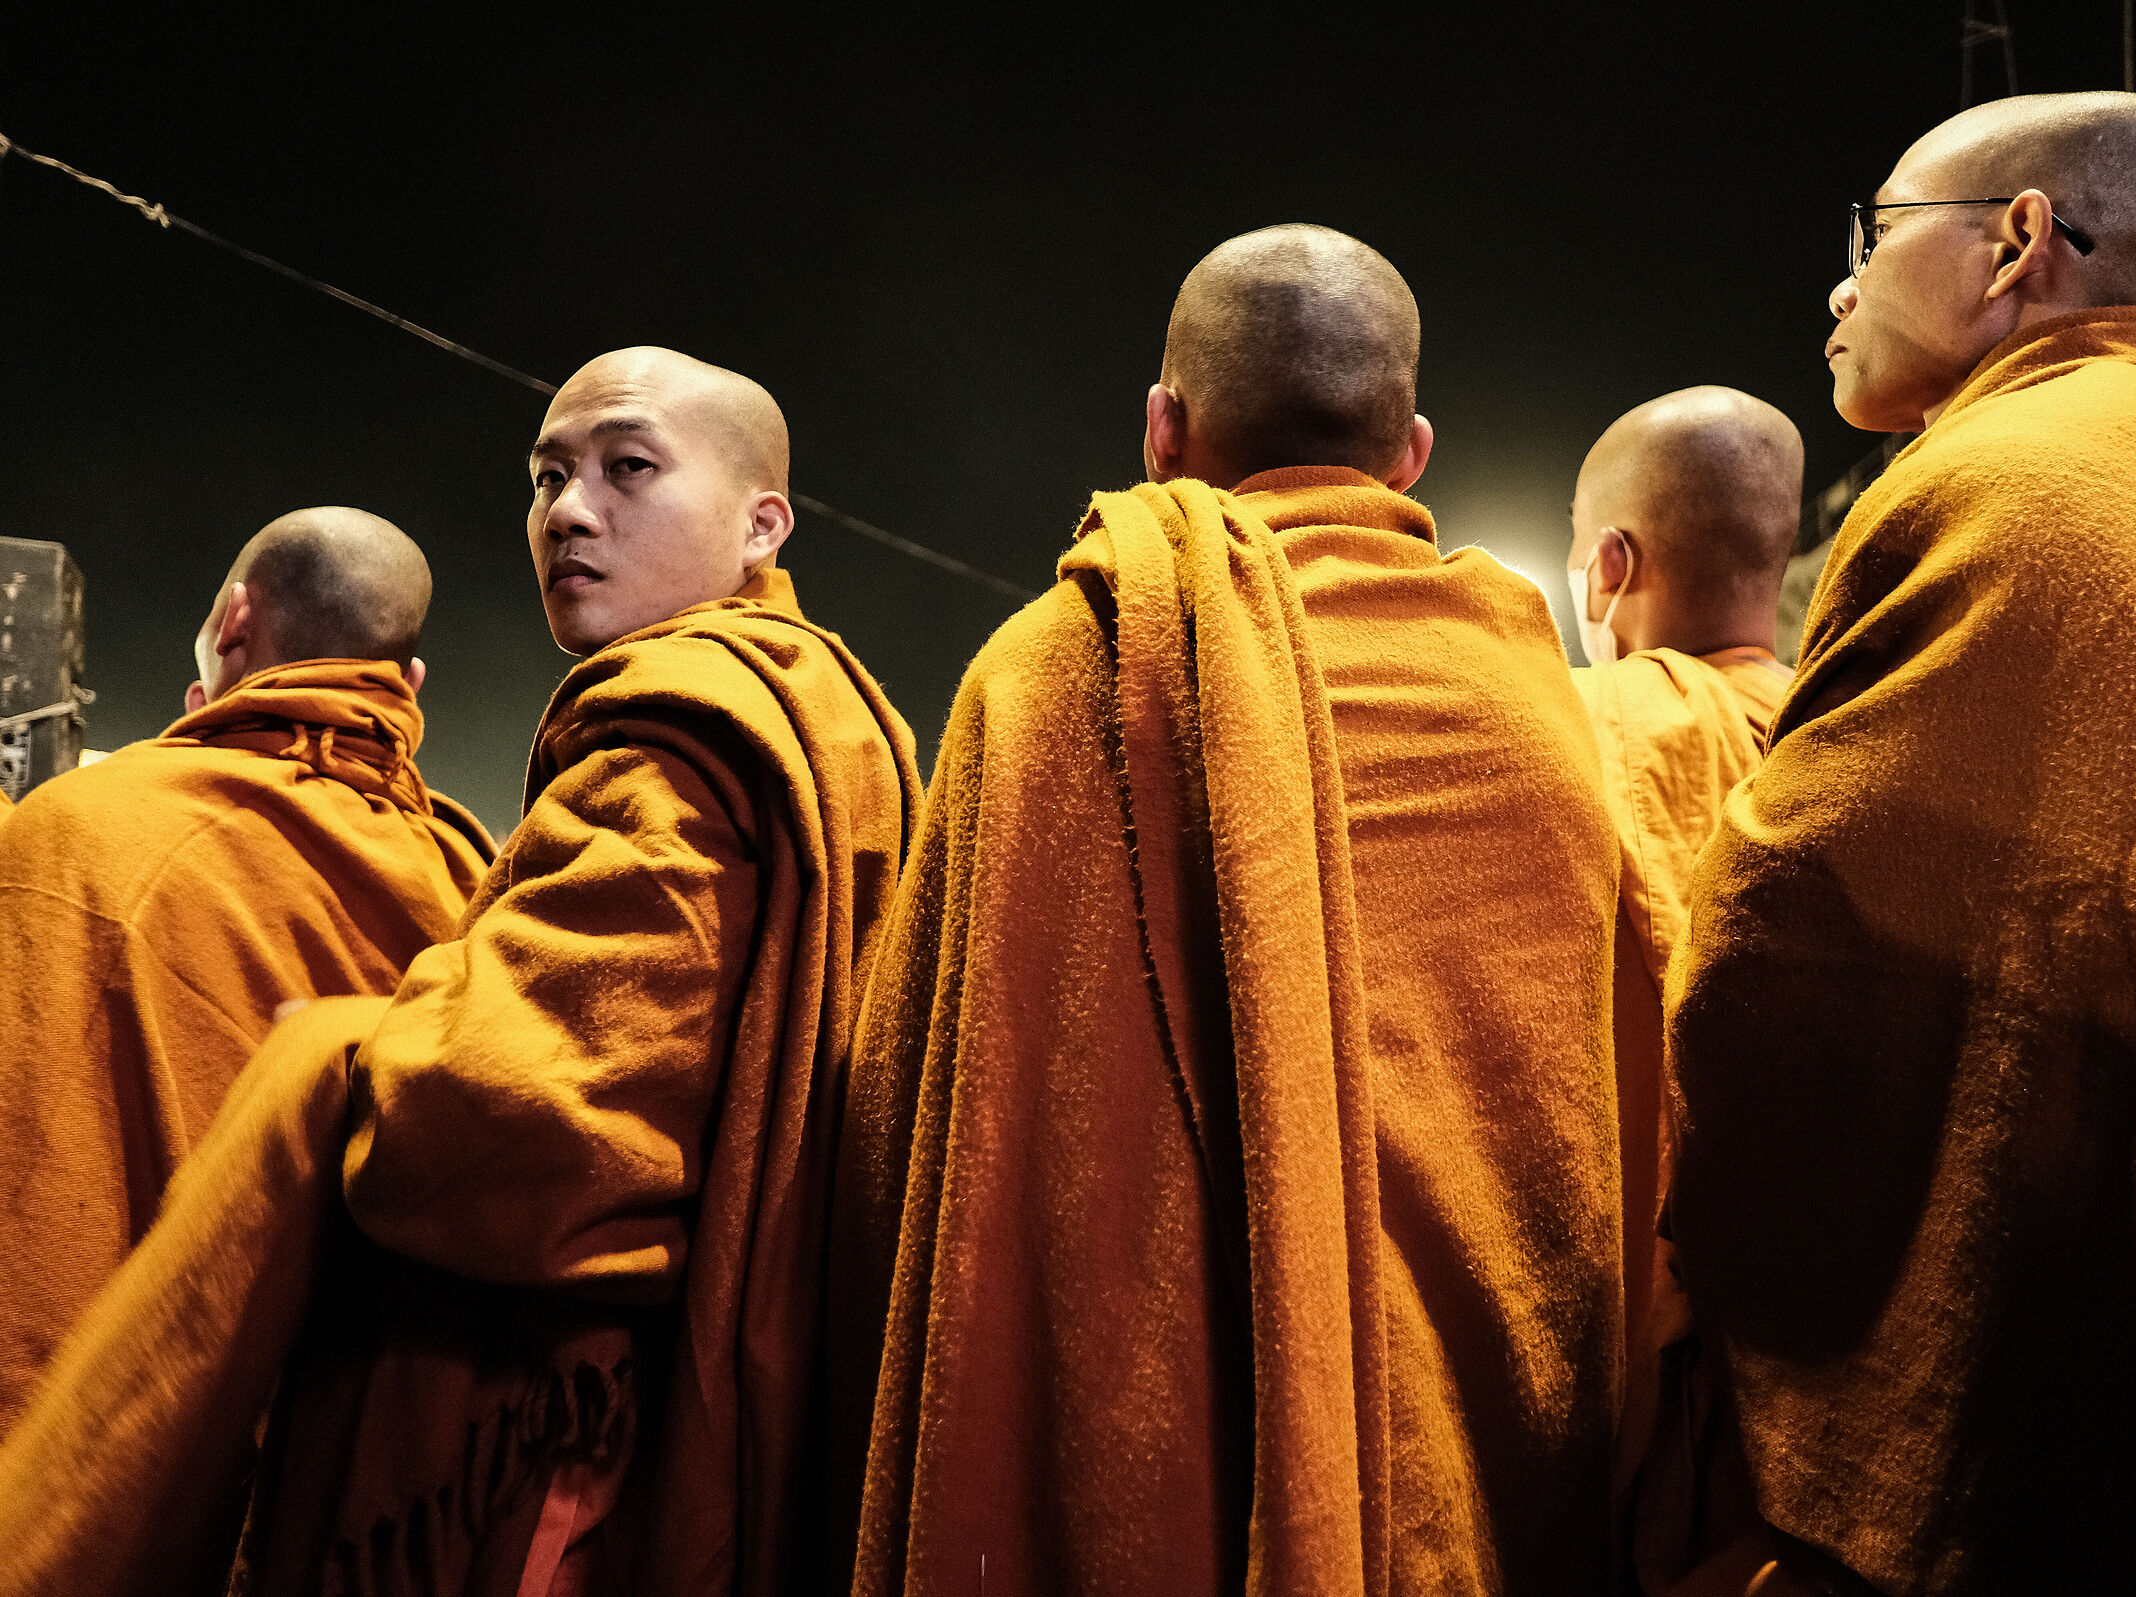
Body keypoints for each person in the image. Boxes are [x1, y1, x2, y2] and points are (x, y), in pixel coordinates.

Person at [0, 348, 920, 1597]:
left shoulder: (680, 740)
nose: (569, 511)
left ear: (763, 523)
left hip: (565, 1446)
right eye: (547, 477)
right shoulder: (819, 725)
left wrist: (335, 1053)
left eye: (628, 468)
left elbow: (517, 1122)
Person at [1667, 91, 2136, 1594]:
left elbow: (1783, 934)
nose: (1840, 286)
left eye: (1871, 238)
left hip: (2087, 1304)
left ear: (2017, 243)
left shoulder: (1990, 482)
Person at [827, 224, 1621, 1594]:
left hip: (1139, 1496)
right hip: (1468, 1502)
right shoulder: (1527, 705)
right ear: (1412, 451)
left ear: (1160, 430)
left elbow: (903, 1103)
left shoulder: (1055, 670)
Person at [0, 507, 491, 1431]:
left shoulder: (81, 829)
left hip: (94, 1424)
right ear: (408, 682)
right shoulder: (473, 880)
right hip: (320, 1447)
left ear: (232, 623)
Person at [1563, 387, 1799, 1594]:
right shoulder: (1849, 722)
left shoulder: (1574, 727)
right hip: (1833, 1341)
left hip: (1645, 1347)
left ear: (1609, 564)